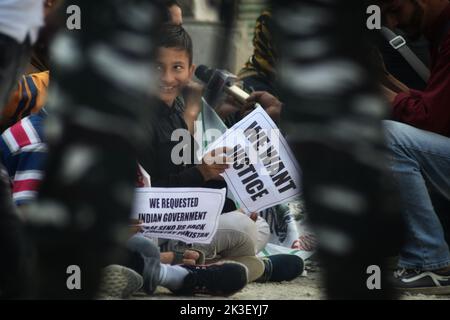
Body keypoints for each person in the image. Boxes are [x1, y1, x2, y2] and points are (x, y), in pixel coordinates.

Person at [377, 0, 450, 293]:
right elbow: (437, 108)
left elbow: (431, 120)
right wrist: (386, 82)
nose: (393, 24)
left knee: (388, 136)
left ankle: (430, 263)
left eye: (395, 10)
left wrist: (380, 91)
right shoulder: (440, 29)